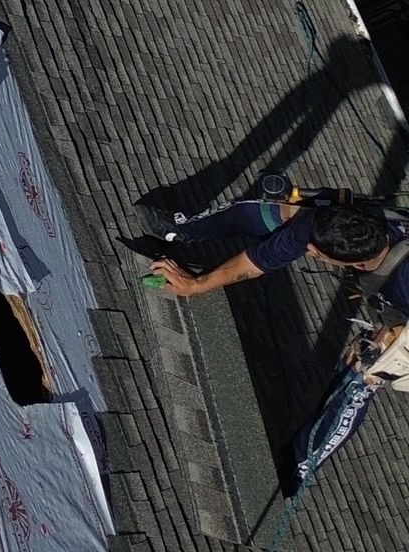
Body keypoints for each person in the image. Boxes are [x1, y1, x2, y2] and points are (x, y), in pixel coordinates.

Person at [148, 192, 409, 486]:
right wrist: (197, 284)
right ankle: (183, 229)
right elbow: (257, 261)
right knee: (283, 214)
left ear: (358, 265)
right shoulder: (327, 222)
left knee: (364, 371)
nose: (309, 251)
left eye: (319, 254)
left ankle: (298, 468)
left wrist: (394, 345)